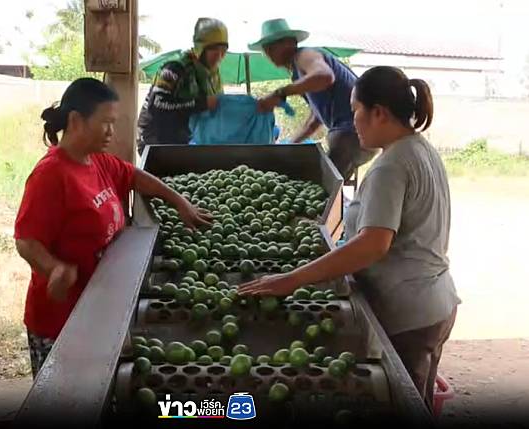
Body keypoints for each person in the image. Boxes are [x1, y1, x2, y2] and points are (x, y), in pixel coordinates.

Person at [239, 66, 461, 412]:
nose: (351, 120)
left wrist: (293, 279)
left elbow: (373, 245)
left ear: (379, 113)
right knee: (422, 400)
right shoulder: (420, 149)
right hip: (437, 305)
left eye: (355, 111)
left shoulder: (391, 167)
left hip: (408, 315)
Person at [14, 78, 212, 378]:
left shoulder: (97, 161)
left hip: (97, 310)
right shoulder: (50, 175)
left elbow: (134, 176)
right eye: (106, 123)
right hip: (61, 320)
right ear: (76, 120)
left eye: (114, 123)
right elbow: (26, 240)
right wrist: (53, 268)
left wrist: (180, 202)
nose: (111, 132)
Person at [248, 18, 376, 181]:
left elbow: (325, 76)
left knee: (321, 188)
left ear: (289, 43)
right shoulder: (299, 74)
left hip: (351, 134)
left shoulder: (304, 55)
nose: (268, 54)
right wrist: (289, 145)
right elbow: (315, 120)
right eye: (266, 49)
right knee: (327, 188)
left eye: (271, 47)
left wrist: (279, 94)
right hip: (355, 137)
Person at [136, 18, 228, 155]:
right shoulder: (174, 68)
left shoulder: (212, 76)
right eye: (214, 50)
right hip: (155, 140)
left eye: (223, 50)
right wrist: (203, 103)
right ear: (201, 49)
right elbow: (157, 105)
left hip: (183, 139)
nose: (219, 56)